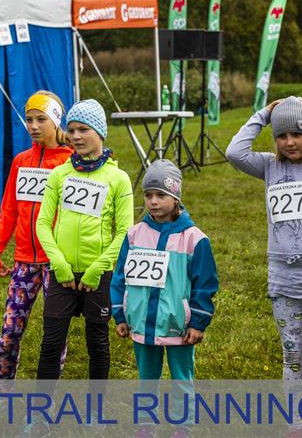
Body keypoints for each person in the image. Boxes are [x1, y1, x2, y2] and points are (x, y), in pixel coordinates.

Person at [226, 96, 302, 438]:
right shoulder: (270, 166)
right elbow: (234, 153)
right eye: (281, 135)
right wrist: (264, 114)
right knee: (293, 353)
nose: (289, 142)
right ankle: (298, 425)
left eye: (297, 133)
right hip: (284, 276)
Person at [0, 91, 72, 420]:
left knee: (54, 335)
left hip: (56, 263)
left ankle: (48, 398)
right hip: (24, 262)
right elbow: (9, 210)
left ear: (56, 121)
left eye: (41, 119)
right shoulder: (21, 161)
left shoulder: (70, 162)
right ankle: (2, 395)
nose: (33, 125)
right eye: (29, 119)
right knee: (9, 333)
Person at [111, 159, 218, 438]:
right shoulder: (134, 235)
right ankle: (146, 424)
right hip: (141, 324)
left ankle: (183, 426)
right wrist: (120, 314)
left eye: (161, 195)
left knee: (182, 378)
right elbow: (120, 276)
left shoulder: (194, 239)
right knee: (146, 378)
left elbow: (205, 284)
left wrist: (197, 322)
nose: (153, 202)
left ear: (176, 196)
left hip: (178, 326)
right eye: (148, 195)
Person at [35, 99, 134, 380]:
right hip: (62, 274)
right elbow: (43, 223)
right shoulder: (59, 174)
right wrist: (58, 262)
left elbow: (125, 232)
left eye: (83, 130)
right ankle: (41, 406)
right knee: (50, 344)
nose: (76, 136)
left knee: (98, 345)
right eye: (71, 130)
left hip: (97, 276)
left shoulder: (118, 178)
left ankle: (96, 404)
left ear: (99, 132)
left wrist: (98, 268)